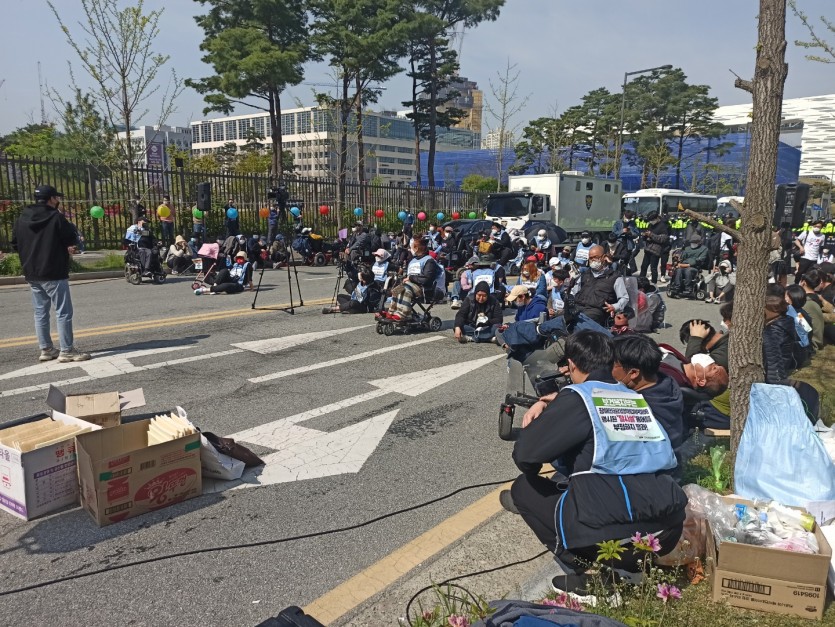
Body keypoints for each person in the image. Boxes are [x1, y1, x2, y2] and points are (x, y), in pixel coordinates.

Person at [505, 331, 686, 586]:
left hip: (619, 539)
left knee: (524, 488)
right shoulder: (635, 397)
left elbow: (525, 455)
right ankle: (629, 571)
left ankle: (592, 575)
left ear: (571, 365)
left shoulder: (579, 396)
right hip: (669, 530)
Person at [11, 184, 91, 363]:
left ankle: (46, 349)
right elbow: (70, 238)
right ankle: (67, 350)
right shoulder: (56, 217)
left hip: (32, 271)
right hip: (54, 270)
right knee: (63, 312)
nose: (58, 200)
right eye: (57, 197)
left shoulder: (22, 217)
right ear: (51, 199)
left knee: (40, 312)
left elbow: (15, 243)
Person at [612, 333, 686, 453]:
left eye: (610, 364)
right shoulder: (666, 382)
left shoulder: (640, 408)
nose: (604, 368)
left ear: (633, 373)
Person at [640, 211, 669, 284]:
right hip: (648, 248)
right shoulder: (650, 225)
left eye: (652, 220)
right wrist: (645, 235)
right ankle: (640, 282)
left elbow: (662, 239)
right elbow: (647, 235)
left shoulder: (663, 226)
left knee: (653, 268)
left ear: (656, 218)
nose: (651, 222)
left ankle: (654, 283)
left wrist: (651, 235)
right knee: (643, 266)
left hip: (656, 250)